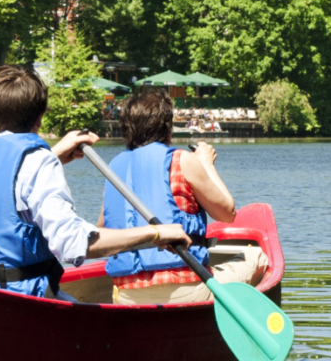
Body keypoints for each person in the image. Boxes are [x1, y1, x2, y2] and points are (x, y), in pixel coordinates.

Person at [0, 65, 192, 299]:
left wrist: (53, 155)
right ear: (39, 118)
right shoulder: (36, 161)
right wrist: (156, 232)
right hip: (16, 306)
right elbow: (74, 245)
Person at [101, 89, 266, 305]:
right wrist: (206, 164)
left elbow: (103, 229)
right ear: (167, 130)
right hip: (186, 290)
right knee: (259, 257)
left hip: (127, 295)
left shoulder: (113, 169)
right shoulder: (182, 160)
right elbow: (227, 213)